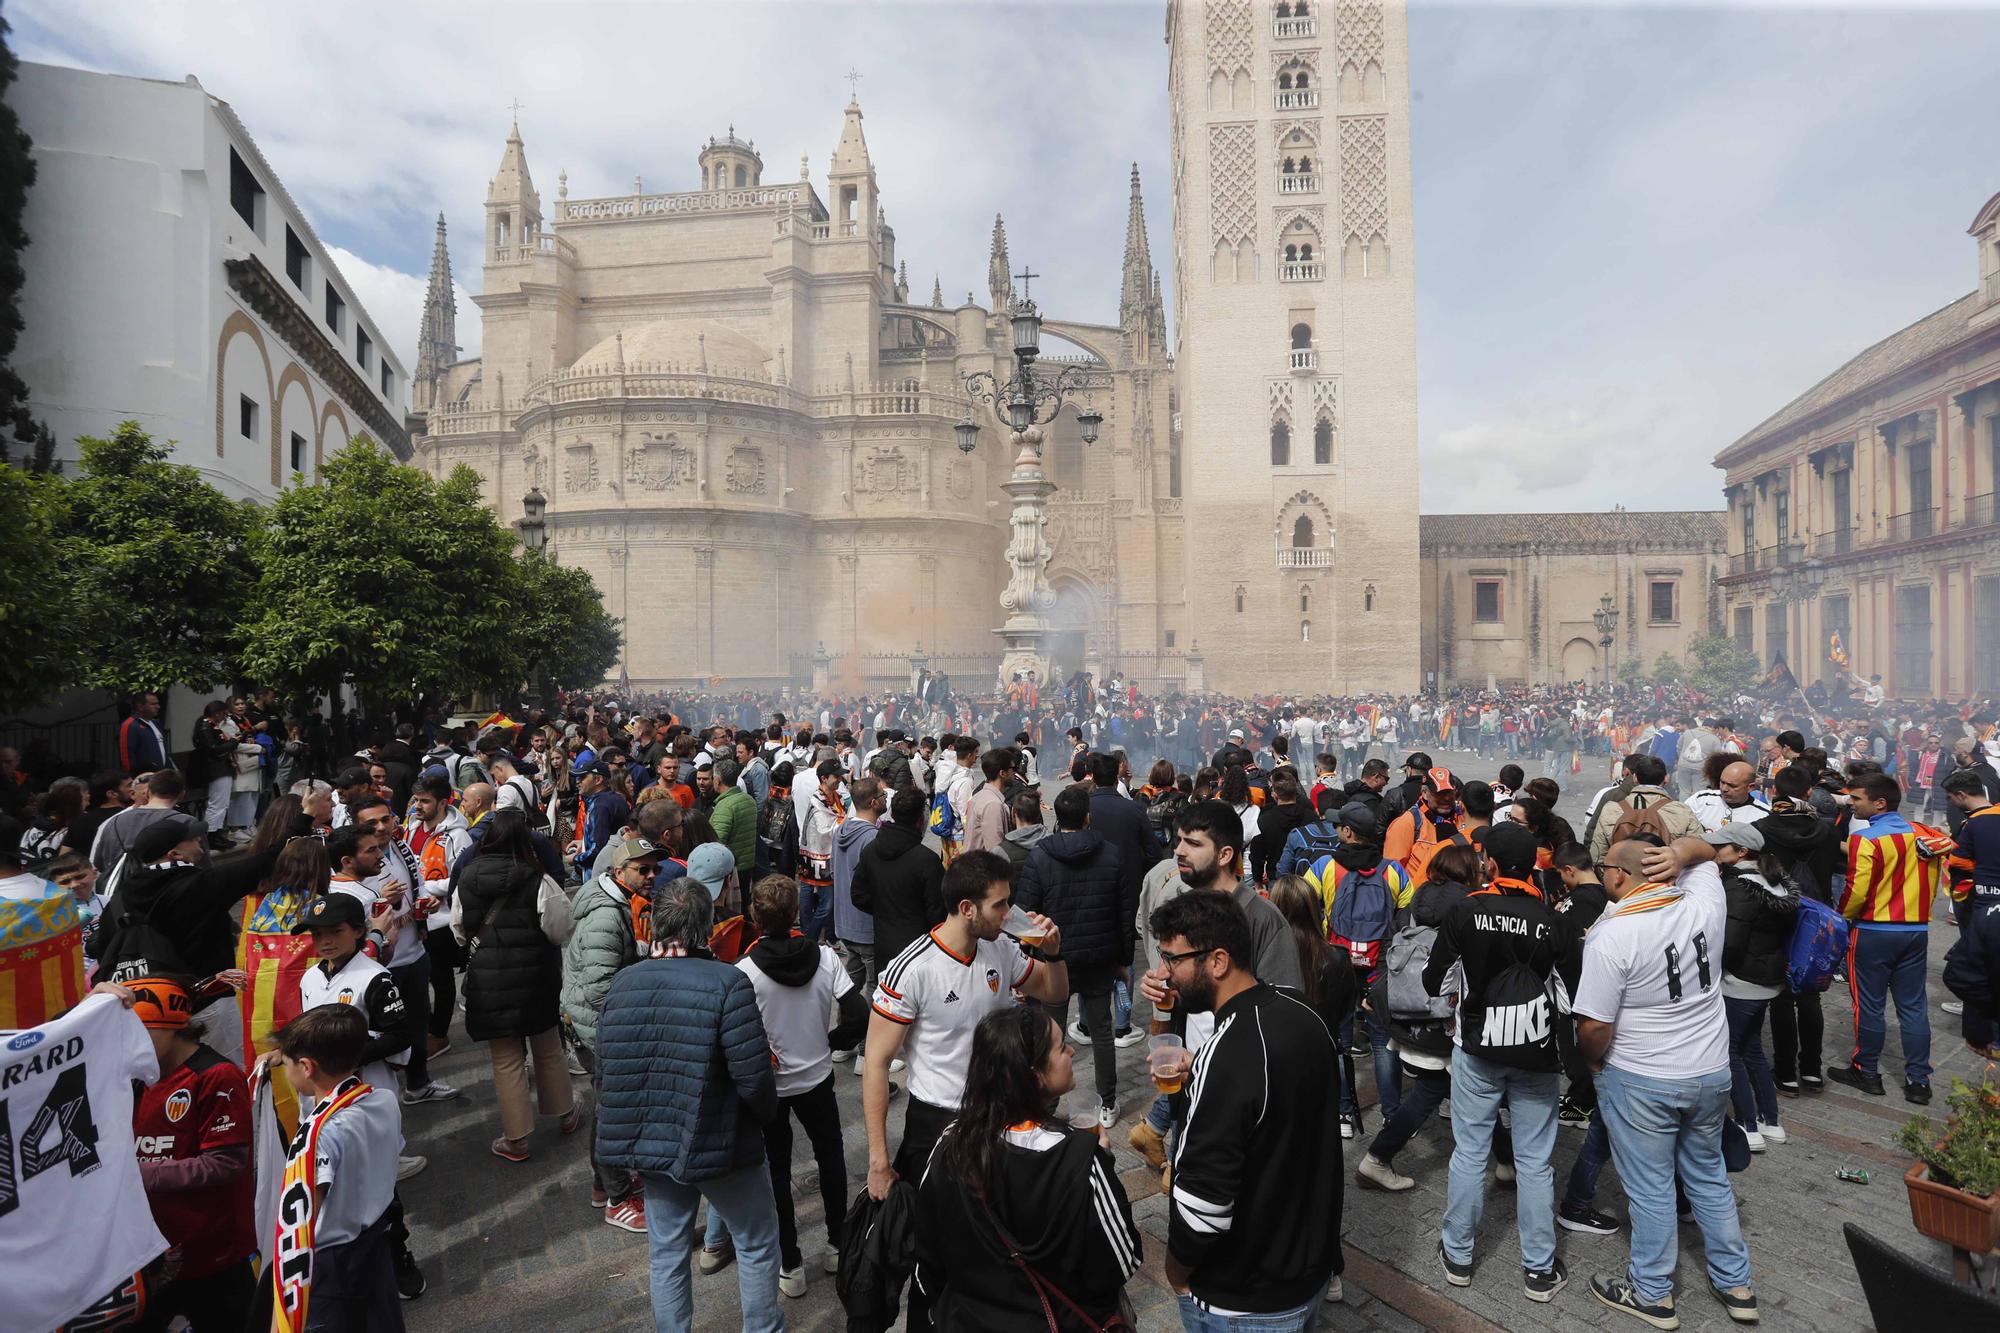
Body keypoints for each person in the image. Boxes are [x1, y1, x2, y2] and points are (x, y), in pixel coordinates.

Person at [863, 850, 1069, 1329]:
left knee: (1002, 1246)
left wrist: (1054, 951)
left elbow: (1053, 991)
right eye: (1000, 905)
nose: (1010, 914)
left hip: (1002, 1118)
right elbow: (875, 1064)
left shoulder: (1000, 946)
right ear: (966, 908)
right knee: (934, 1256)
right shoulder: (911, 970)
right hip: (939, 1128)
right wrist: (878, 1160)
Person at [1575, 836, 1758, 1328]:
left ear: (1618, 876)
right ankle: (1735, 1284)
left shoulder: (1612, 934)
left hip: (1642, 1077)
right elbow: (1706, 850)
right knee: (1708, 1177)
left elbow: (1593, 1026)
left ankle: (1653, 1292)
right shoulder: (1703, 903)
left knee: (1651, 1188)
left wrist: (1592, 1065)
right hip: (1709, 1071)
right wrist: (1682, 852)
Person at [1149, 887, 1345, 1327]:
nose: (1164, 974)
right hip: (1307, 1273)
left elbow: (1203, 1209)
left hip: (1243, 1301)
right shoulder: (1303, 1013)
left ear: (1217, 961)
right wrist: (1199, 1066)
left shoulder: (1229, 1055)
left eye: (1172, 960)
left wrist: (1176, 1275)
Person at [597, 880, 784, 1333]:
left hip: (654, 1144)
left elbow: (606, 1072)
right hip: (723, 1142)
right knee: (757, 1243)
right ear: (707, 927)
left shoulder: (623, 983)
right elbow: (753, 1076)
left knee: (666, 1252)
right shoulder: (727, 982)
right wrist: (766, 1118)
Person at [914, 1005, 1143, 1328]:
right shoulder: (1081, 1159)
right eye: (1062, 1047)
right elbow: (1122, 1259)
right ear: (1035, 1074)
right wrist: (1101, 1160)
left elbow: (927, 1258)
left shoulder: (950, 1146)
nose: (1073, 1051)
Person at [1424, 820, 1569, 1303]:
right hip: (1535, 1052)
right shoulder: (1554, 920)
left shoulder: (1468, 910)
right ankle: (1539, 1270)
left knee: (1469, 1151)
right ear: (1534, 866)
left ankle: (1458, 1255)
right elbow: (1571, 996)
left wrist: (1452, 1006)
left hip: (1476, 1048)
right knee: (1534, 1161)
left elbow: (1435, 979)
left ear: (1489, 863)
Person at [730, 874, 867, 1296]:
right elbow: (859, 1014)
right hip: (817, 1077)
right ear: (796, 912)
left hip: (771, 1087)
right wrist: (832, 1042)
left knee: (776, 1170)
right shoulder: (825, 958)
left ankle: (790, 1262)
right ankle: (837, 1245)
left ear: (755, 915)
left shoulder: (745, 972)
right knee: (831, 1158)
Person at [125, 975, 258, 1332]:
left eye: (139, 1034)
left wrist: (135, 1174)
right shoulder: (136, 1078)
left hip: (214, 1254)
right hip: (153, 1253)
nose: (128, 1046)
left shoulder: (216, 1076)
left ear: (172, 1027)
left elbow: (224, 1163)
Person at [267, 1003, 410, 1333]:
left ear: (306, 1067)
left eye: (286, 1063)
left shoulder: (319, 1136)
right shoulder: (383, 1101)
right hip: (376, 1243)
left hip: (332, 1265)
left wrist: (279, 1321)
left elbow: (301, 1224)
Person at [455, 810, 580, 1161]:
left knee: (506, 1060)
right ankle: (566, 1113)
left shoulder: (468, 877)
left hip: (490, 982)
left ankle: (517, 1139)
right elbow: (560, 928)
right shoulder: (536, 877)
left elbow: (459, 930)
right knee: (548, 1048)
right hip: (535, 977)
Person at [1016, 783, 1134, 1126]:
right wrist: (1123, 961)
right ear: (1087, 818)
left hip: (1056, 960)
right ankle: (1108, 1103)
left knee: (1051, 1036)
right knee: (1101, 1032)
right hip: (1099, 958)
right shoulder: (1110, 854)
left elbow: (1026, 915)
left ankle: (1048, 1106)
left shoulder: (1040, 855)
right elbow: (1124, 913)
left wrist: (1025, 963)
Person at [562, 836, 661, 1231]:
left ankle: (606, 1184)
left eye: (654, 868)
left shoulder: (621, 901)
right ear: (620, 872)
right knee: (612, 1112)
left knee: (610, 1109)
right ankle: (617, 1198)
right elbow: (600, 990)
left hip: (598, 1024)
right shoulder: (607, 915)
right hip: (601, 1029)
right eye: (643, 870)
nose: (652, 876)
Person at [1829, 772, 1941, 1103]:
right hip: (1916, 930)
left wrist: (1841, 918)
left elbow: (1857, 889)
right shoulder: (1926, 834)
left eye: (1856, 798)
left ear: (1879, 803)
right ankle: (1919, 1081)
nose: (1850, 802)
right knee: (1914, 1006)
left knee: (1869, 1005)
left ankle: (1867, 1071)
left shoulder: (1867, 839)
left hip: (1873, 931)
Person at [1713, 824, 1797, 1152]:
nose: (1716, 851)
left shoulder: (1740, 887)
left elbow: (1730, 942)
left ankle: (1747, 1126)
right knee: (1752, 1049)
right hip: (1767, 979)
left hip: (1741, 982)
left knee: (1731, 1050)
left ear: (1741, 853)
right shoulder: (1773, 883)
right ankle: (1770, 1121)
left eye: (1722, 846)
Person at [851, 785, 946, 973]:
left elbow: (858, 895)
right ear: (920, 819)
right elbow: (938, 914)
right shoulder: (927, 861)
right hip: (920, 949)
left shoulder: (871, 851)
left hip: (885, 943)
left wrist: (884, 908)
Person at [830, 774, 884, 1001]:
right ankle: (870, 1035)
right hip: (866, 927)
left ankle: (848, 1029)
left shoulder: (840, 830)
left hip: (844, 923)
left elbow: (834, 872)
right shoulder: (872, 838)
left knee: (849, 988)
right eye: (882, 795)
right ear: (873, 802)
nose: (885, 798)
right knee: (875, 987)